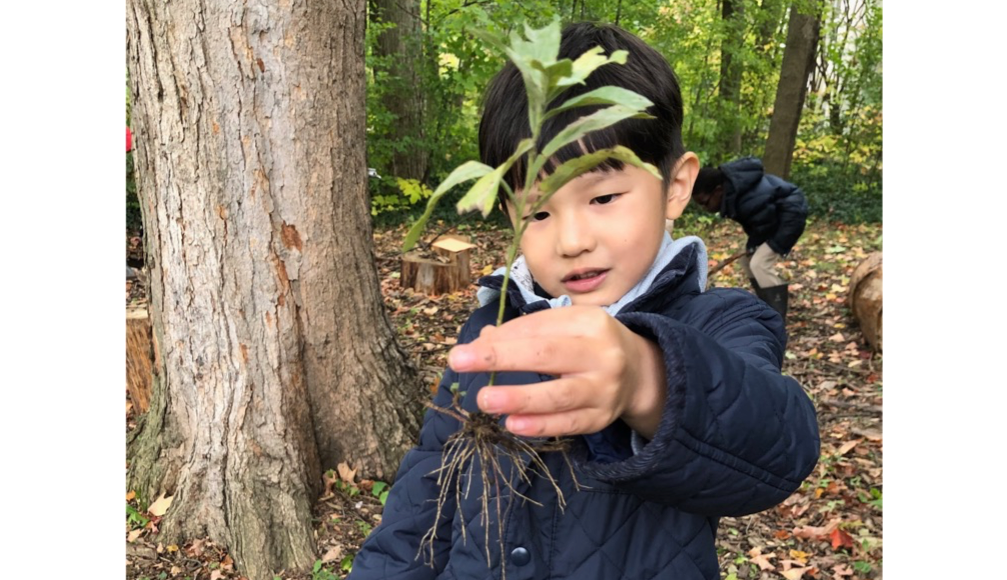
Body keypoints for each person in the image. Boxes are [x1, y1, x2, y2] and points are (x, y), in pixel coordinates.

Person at [349, 22, 819, 580]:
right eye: (539, 212)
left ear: (676, 185)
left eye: (603, 197)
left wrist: (648, 380)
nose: (571, 241)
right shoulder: (491, 331)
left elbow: (777, 445)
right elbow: (425, 489)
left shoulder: (719, 320)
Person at [691, 157, 808, 321]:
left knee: (759, 263)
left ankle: (777, 312)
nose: (705, 208)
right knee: (747, 261)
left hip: (790, 219)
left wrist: (755, 244)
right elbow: (757, 223)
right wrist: (752, 246)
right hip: (776, 221)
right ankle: (765, 301)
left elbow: (766, 223)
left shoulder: (746, 197)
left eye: (705, 203)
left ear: (718, 191)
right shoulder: (734, 192)